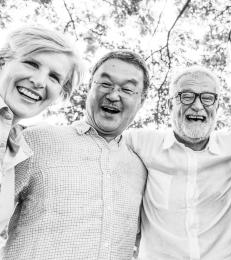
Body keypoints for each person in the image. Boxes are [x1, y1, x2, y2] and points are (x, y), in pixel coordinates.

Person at [3, 50, 149, 259]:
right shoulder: (37, 140)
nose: (113, 95)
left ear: (141, 101)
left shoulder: (142, 170)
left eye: (127, 89)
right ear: (89, 88)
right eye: (105, 84)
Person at [127, 66, 231, 260]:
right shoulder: (140, 143)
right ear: (169, 104)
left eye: (207, 98)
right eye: (186, 96)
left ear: (217, 106)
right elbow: (101, 137)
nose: (197, 106)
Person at [0, 26, 83, 248]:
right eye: (31, 63)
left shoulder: (15, 146)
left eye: (54, 77)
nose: (39, 81)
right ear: (3, 62)